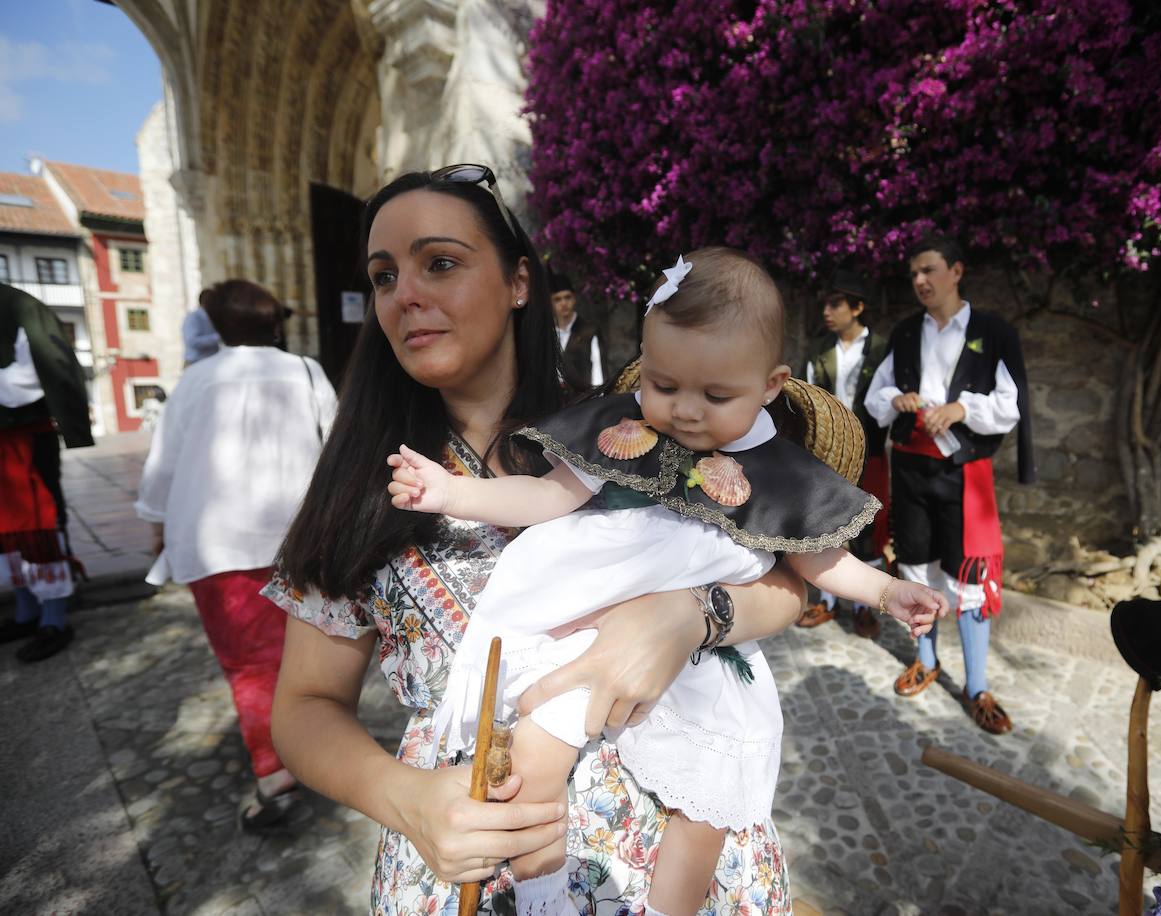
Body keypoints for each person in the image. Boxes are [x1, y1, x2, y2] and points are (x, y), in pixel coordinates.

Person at [266, 166, 830, 914]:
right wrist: (407, 802)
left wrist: (694, 614)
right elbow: (303, 706)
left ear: (520, 282)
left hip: (691, 861)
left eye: (440, 263)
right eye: (382, 276)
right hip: (471, 862)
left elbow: (788, 582)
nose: (405, 294)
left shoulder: (635, 432)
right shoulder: (366, 483)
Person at [386, 248, 946, 916]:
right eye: (663, 384)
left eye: (715, 395)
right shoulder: (622, 430)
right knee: (535, 755)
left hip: (703, 665)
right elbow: (543, 497)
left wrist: (885, 591)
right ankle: (541, 895)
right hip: (593, 628)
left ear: (771, 385)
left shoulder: (777, 470)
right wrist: (453, 491)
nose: (683, 411)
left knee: (710, 802)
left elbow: (818, 562)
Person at [135, 279, 336, 828]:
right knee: (305, 653)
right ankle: (316, 751)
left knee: (249, 665)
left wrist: (155, 523)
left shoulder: (195, 380)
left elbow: (164, 467)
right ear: (273, 320)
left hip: (217, 543)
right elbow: (336, 446)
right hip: (298, 537)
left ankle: (276, 771)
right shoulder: (305, 371)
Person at [863, 236, 1035, 735]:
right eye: (914, 273)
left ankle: (977, 686)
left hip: (964, 474)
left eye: (929, 269)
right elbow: (877, 394)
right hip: (912, 472)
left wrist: (961, 409)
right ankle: (925, 660)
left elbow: (1011, 404)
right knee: (916, 566)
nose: (920, 280)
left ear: (956, 271)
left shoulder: (993, 332)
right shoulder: (904, 332)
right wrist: (897, 399)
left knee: (970, 576)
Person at [0, 282, 93, 662]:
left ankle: (53, 619)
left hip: (24, 438)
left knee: (40, 525)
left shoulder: (19, 306)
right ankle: (26, 611)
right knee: (4, 531)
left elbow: (42, 368)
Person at [798, 270, 891, 638]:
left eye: (836, 304)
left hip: (870, 447)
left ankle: (865, 606)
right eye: (826, 303)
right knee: (827, 522)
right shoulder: (820, 348)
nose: (827, 311)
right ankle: (828, 601)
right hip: (830, 450)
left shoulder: (882, 348)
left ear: (858, 308)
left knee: (869, 525)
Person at [549, 269, 606, 390]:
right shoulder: (547, 334)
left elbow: (598, 370)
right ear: (551, 302)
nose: (564, 303)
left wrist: (597, 396)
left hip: (582, 400)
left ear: (574, 298)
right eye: (558, 299)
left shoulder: (589, 331)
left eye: (567, 297)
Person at [181, 301, 222, 366]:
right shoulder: (193, 317)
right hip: (195, 362)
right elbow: (192, 341)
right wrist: (218, 337)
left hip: (209, 362)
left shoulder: (212, 316)